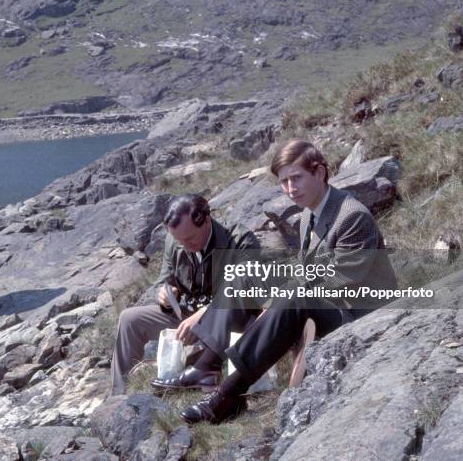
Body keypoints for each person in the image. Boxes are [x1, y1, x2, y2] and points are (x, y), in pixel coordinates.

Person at [178, 139, 397, 424]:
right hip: (328, 302)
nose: (290, 189)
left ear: (319, 173)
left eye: (297, 178)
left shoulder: (351, 216)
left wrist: (281, 298)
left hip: (360, 313)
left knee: (293, 298)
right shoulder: (310, 214)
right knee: (246, 278)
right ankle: (208, 363)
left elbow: (342, 281)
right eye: (284, 182)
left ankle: (227, 394)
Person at [110, 194, 260, 395]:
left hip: (228, 324)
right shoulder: (176, 240)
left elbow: (246, 289)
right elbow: (163, 279)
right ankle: (120, 395)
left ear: (206, 220)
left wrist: (205, 314)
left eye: (190, 238)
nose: (185, 245)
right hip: (187, 318)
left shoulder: (239, 239)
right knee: (129, 319)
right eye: (179, 240)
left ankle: (204, 373)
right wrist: (165, 294)